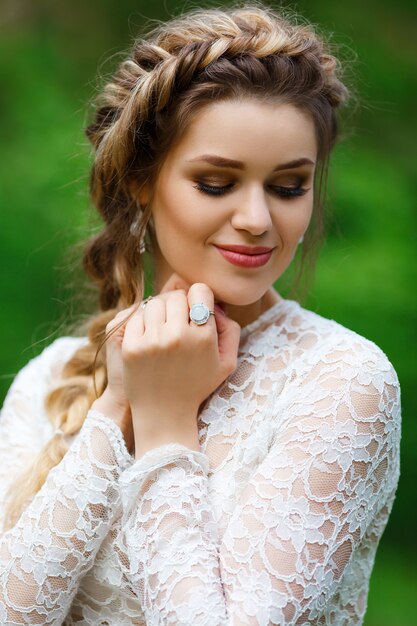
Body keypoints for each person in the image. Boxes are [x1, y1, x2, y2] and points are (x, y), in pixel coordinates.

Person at [0, 4, 401, 625]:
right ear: (142, 180)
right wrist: (114, 411)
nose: (257, 220)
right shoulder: (52, 379)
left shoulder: (339, 382)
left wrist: (164, 427)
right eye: (217, 182)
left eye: (288, 186)